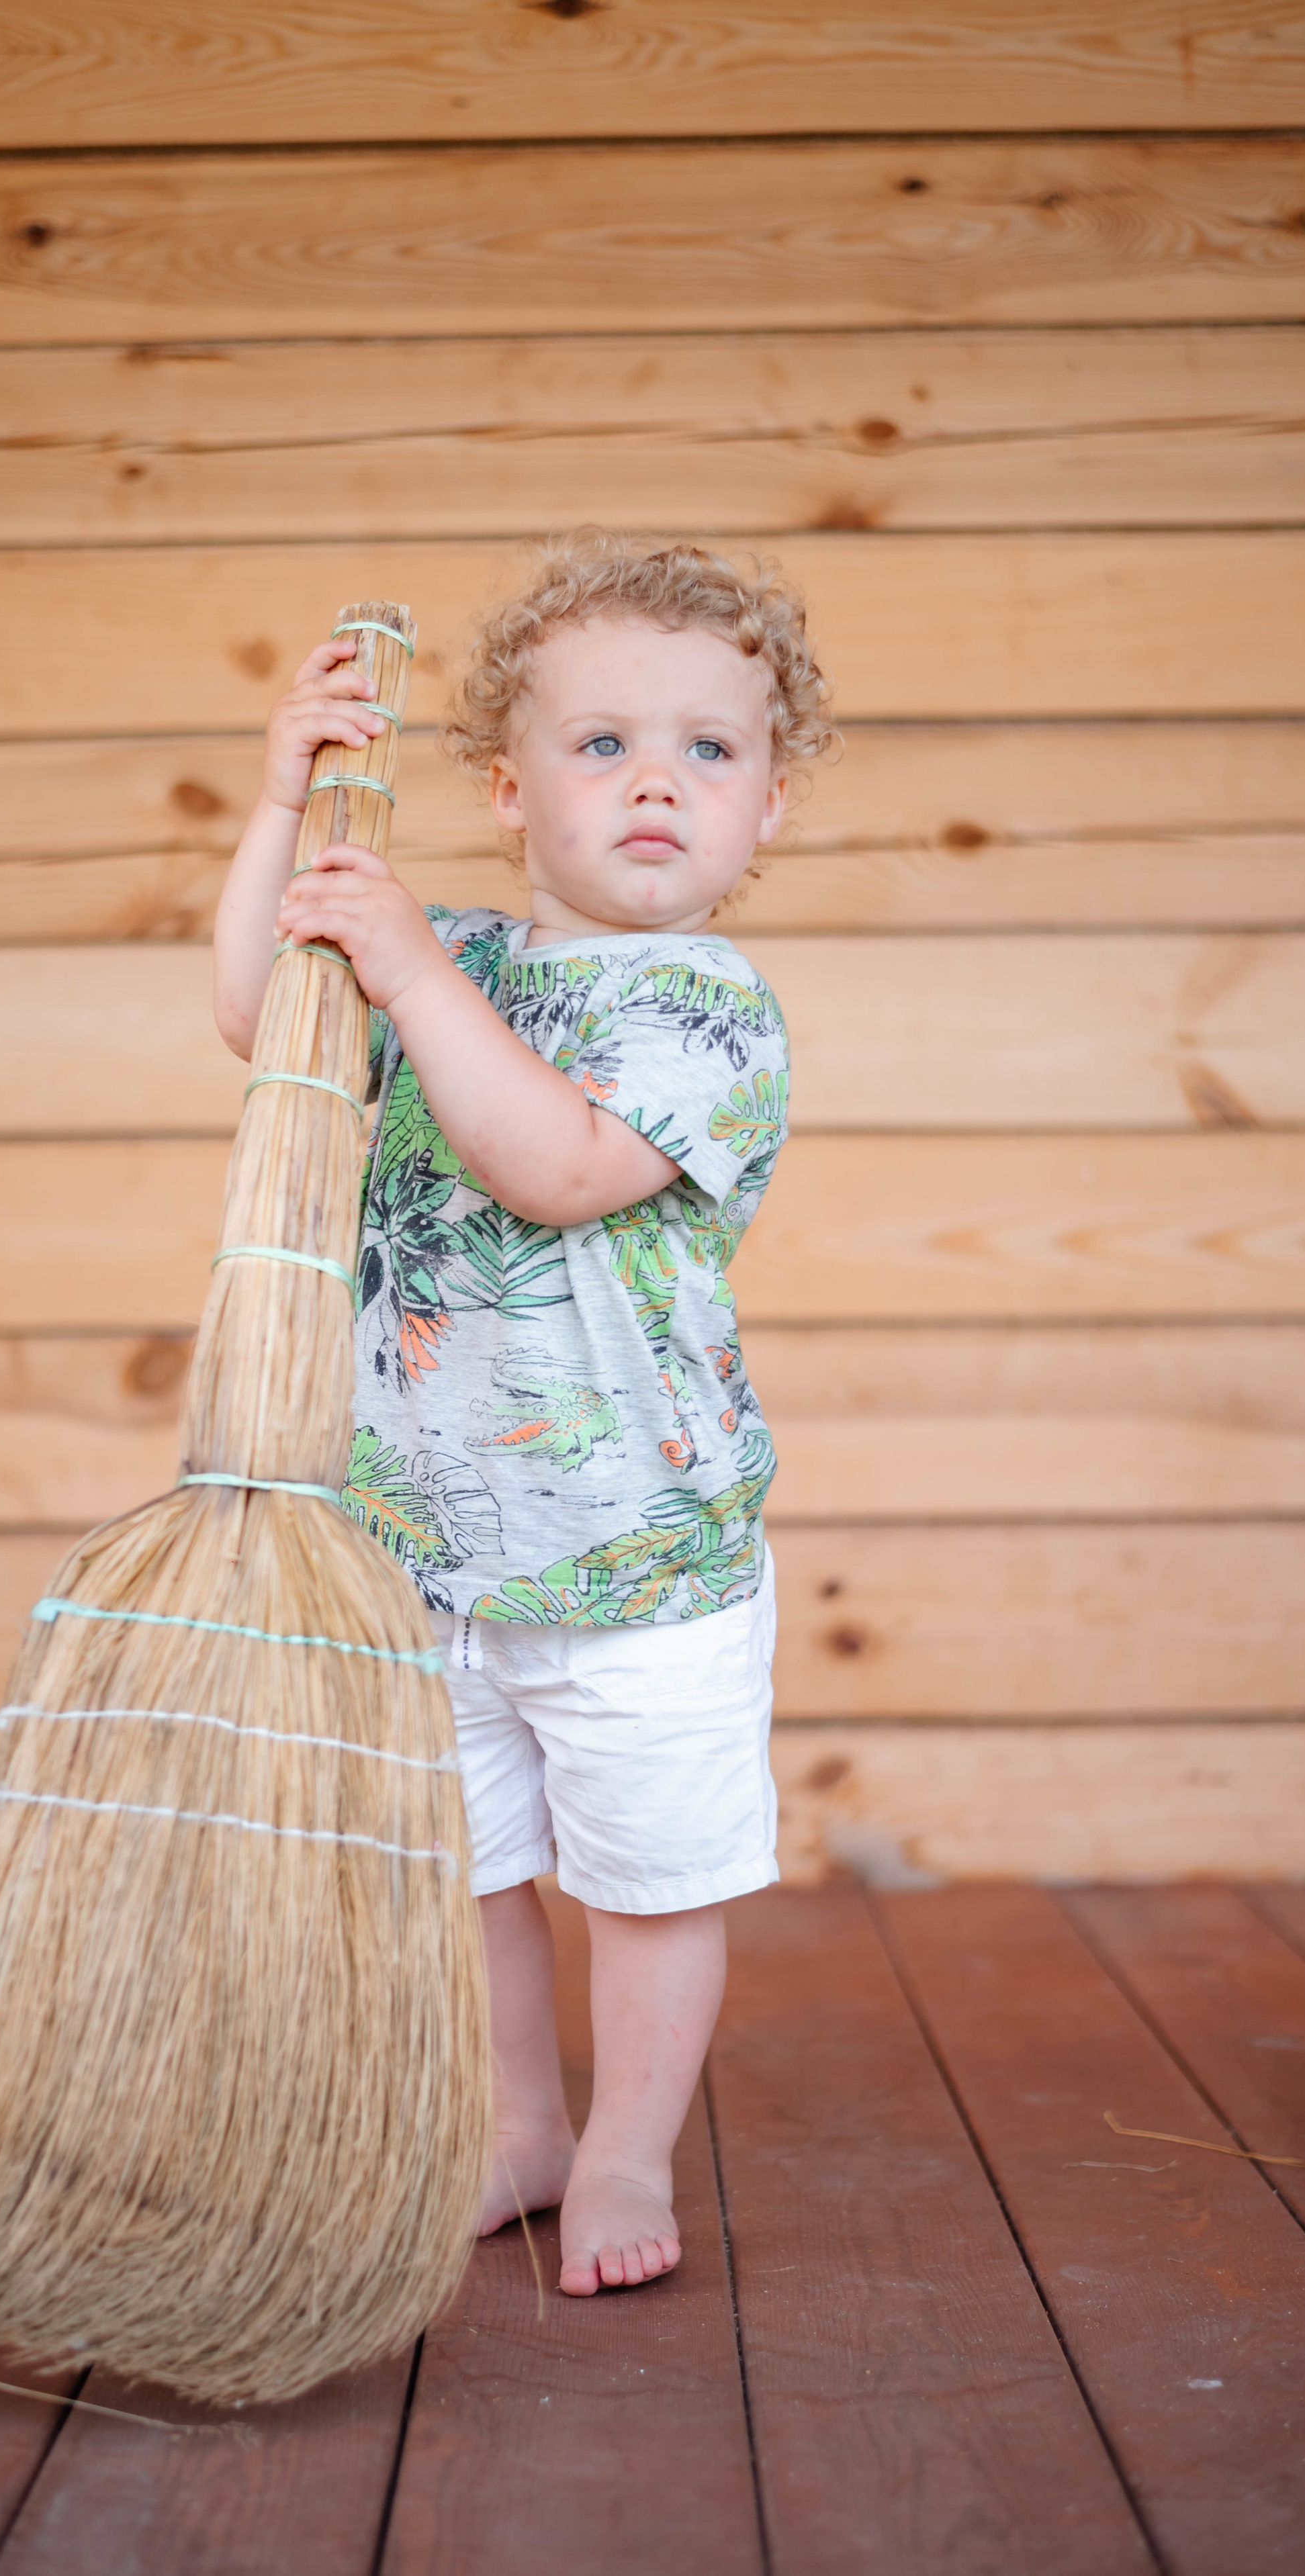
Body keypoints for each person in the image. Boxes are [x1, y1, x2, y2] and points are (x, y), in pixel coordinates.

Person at [213, 531, 831, 2296]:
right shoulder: (459, 944)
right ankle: (521, 2124)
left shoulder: (707, 1010)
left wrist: (413, 970)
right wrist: (285, 813)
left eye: (712, 751)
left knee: (644, 1877)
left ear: (767, 808)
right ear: (505, 787)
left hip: (638, 1559)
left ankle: (631, 2145)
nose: (660, 779)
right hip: (427, 1542)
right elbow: (269, 1017)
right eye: (604, 743)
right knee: (471, 1862)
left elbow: (557, 1163)